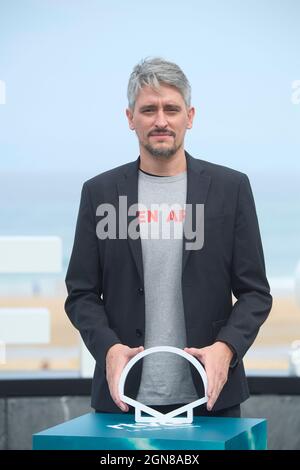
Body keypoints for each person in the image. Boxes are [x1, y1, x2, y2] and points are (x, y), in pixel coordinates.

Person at [65, 57, 272, 418]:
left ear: (189, 116)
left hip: (211, 399)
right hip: (122, 402)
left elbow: (255, 292)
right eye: (148, 109)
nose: (161, 120)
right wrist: (109, 349)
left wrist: (227, 347)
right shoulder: (99, 193)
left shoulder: (231, 189)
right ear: (130, 119)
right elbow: (81, 293)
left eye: (171, 109)